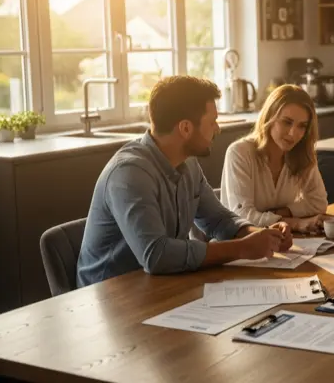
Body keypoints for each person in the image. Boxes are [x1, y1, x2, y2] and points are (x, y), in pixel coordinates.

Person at [76, 75, 292, 288]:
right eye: (212, 122)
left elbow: (217, 219)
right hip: (108, 300)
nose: (217, 129)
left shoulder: (188, 163)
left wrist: (262, 236)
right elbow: (157, 255)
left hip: (158, 284)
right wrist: (242, 248)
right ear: (186, 128)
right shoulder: (129, 174)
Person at [220, 84, 328, 233]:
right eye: (287, 122)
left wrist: (281, 212)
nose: (293, 134)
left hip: (281, 241)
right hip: (241, 245)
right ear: (269, 117)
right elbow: (242, 215)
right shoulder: (239, 152)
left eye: (302, 126)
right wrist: (295, 223)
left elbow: (319, 202)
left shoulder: (301, 154)